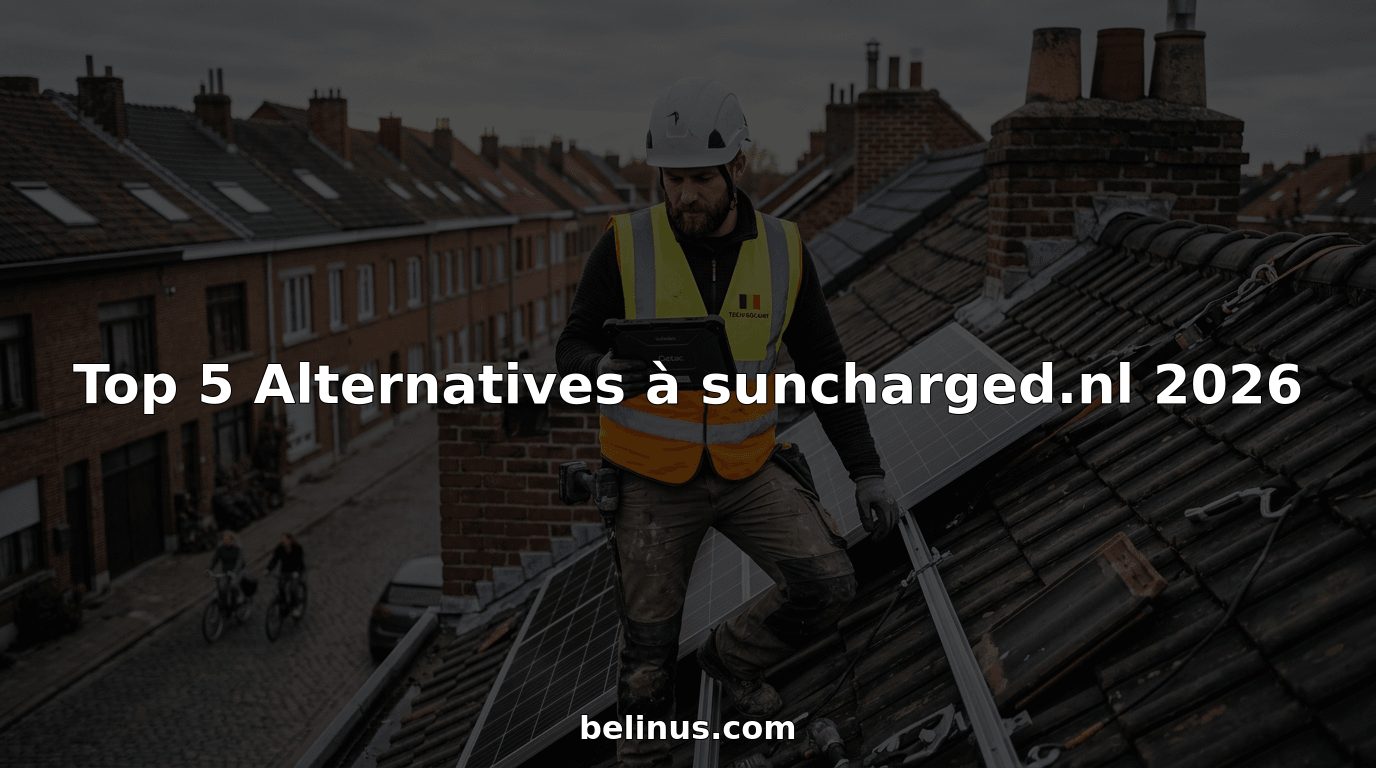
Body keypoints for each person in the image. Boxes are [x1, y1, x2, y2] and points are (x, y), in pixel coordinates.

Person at [556, 77, 900, 768]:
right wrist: (598, 371)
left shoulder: (782, 249)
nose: (683, 195)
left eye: (699, 179)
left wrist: (867, 472)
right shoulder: (623, 245)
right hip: (651, 480)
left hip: (747, 471)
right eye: (672, 178)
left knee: (828, 584)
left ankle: (730, 659)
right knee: (647, 665)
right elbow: (573, 347)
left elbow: (827, 367)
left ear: (737, 167)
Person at [265, 532, 306, 618]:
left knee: (292, 588)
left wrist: (297, 572)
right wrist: (268, 569)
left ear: (290, 540)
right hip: (285, 571)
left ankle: (295, 607)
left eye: (285, 540)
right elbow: (274, 560)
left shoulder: (297, 548)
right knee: (281, 587)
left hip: (296, 571)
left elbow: (300, 562)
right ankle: (283, 606)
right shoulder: (280, 548)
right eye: (282, 541)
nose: (283, 542)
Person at [207, 531, 247, 608]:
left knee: (233, 585)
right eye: (224, 539)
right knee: (221, 587)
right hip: (225, 571)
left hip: (237, 571)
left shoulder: (237, 549)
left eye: (228, 539)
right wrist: (208, 569)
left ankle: (238, 599)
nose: (226, 541)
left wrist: (234, 572)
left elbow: (239, 562)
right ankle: (224, 604)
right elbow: (214, 560)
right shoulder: (220, 549)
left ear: (231, 540)